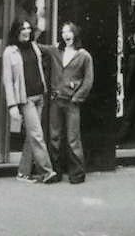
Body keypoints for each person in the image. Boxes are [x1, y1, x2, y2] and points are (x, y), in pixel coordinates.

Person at [1, 20, 58, 184]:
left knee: (32, 137)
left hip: (40, 96)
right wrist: (12, 105)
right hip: (25, 99)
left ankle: (23, 172)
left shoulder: (34, 46)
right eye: (22, 29)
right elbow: (8, 80)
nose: (26, 31)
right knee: (37, 135)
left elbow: (46, 35)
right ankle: (47, 171)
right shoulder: (10, 52)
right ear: (16, 31)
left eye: (28, 28)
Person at [41, 22, 94, 184]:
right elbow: (38, 47)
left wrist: (77, 98)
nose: (66, 35)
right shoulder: (56, 50)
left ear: (75, 33)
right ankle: (55, 172)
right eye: (63, 32)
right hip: (56, 100)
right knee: (54, 137)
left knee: (73, 138)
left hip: (72, 102)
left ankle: (77, 174)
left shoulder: (84, 55)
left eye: (69, 31)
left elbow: (88, 80)